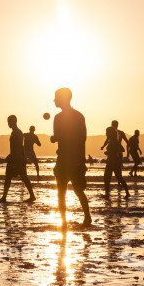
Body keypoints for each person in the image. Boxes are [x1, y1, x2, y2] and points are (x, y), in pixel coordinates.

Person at [51, 88, 91, 228]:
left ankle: (64, 223)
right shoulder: (79, 116)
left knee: (62, 192)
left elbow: (60, 136)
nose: (54, 100)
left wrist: (55, 138)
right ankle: (87, 218)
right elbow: (83, 138)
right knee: (78, 190)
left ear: (63, 98)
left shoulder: (58, 118)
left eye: (56, 97)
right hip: (74, 159)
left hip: (65, 159)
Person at [0, 115, 36, 203]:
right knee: (18, 177)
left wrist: (13, 155)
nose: (8, 123)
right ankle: (31, 196)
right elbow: (20, 147)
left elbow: (19, 146)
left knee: (12, 177)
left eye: (9, 121)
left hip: (16, 159)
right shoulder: (16, 132)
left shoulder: (17, 132)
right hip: (16, 158)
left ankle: (4, 197)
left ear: (13, 121)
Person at [101, 122, 130, 200]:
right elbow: (120, 149)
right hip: (112, 160)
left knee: (111, 177)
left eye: (107, 132)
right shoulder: (112, 140)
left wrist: (113, 152)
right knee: (112, 177)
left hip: (113, 161)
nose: (106, 134)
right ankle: (126, 193)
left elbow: (122, 149)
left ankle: (126, 193)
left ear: (110, 133)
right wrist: (110, 151)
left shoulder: (115, 141)